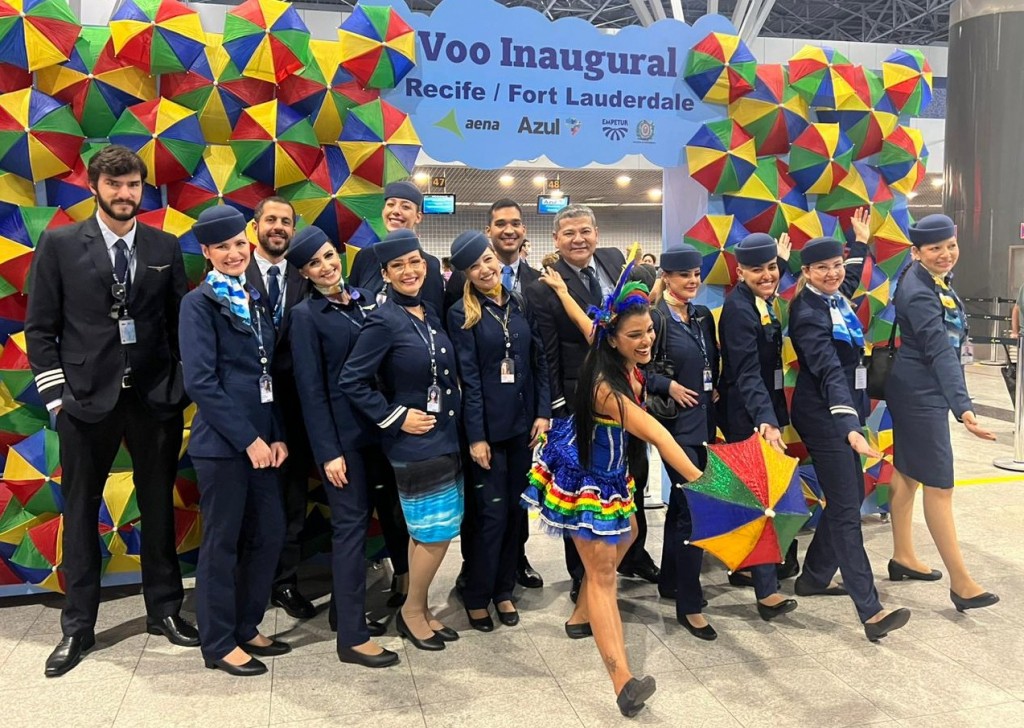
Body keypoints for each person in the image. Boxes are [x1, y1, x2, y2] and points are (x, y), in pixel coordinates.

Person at [25, 144, 197, 678]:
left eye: (134, 185)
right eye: (115, 184)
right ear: (94, 186)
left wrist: (180, 386)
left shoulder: (164, 245)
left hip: (153, 402)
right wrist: (57, 398)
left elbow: (179, 327)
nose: (126, 194)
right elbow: (40, 328)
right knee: (79, 514)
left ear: (144, 188)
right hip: (83, 402)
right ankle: (78, 626)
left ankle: (164, 609)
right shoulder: (57, 244)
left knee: (158, 508)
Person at [523, 274, 703, 718]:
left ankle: (581, 616)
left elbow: (586, 321)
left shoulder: (612, 347)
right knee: (603, 573)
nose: (646, 341)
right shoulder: (605, 386)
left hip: (613, 473)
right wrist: (705, 483)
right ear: (616, 338)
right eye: (636, 335)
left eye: (649, 330)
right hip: (586, 479)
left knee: (632, 530)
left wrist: (565, 292)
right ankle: (623, 681)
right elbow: (657, 434)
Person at [527, 204, 659, 602]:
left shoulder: (616, 262)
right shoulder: (544, 287)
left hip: (630, 395)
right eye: (568, 233)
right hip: (584, 403)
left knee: (632, 478)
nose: (578, 239)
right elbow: (548, 355)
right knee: (583, 494)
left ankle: (633, 555)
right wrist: (558, 408)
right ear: (556, 240)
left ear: (597, 233)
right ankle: (584, 576)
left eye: (585, 231)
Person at [340, 229, 464, 651]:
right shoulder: (383, 318)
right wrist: (395, 418)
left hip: (444, 437)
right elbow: (352, 381)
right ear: (386, 275)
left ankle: (422, 608)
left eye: (414, 262)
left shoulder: (427, 311)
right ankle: (412, 613)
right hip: (415, 444)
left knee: (426, 530)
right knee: (436, 532)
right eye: (398, 266)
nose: (409, 271)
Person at [179, 206, 290, 676]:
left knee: (269, 534)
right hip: (224, 447)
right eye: (221, 247)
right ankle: (219, 642)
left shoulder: (254, 296)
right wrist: (249, 440)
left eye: (238, 244)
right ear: (207, 253)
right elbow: (202, 383)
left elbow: (269, 373)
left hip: (265, 443)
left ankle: (247, 624)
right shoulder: (198, 305)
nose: (232, 253)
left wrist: (277, 435)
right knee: (222, 544)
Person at [787, 236, 913, 641]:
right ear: (805, 272)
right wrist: (849, 428)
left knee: (847, 496)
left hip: (843, 412)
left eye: (836, 265)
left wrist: (857, 246)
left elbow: (852, 276)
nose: (833, 273)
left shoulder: (834, 297)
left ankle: (815, 577)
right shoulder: (807, 312)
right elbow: (827, 373)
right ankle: (870, 610)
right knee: (845, 510)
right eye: (821, 267)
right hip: (825, 414)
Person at [285, 225, 399, 668]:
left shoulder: (369, 301)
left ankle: (343, 613)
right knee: (350, 532)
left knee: (373, 525)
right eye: (315, 264)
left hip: (380, 434)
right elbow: (310, 391)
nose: (327, 267)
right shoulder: (305, 316)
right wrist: (327, 452)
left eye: (330, 256)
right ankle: (352, 638)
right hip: (344, 443)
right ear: (305, 274)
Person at [885, 214, 999, 611]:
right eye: (935, 248)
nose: (946, 254)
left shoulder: (931, 279)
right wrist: (963, 408)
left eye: (950, 245)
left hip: (916, 386)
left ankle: (902, 556)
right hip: (921, 393)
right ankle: (962, 583)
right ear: (916, 252)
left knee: (909, 473)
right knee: (940, 485)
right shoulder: (918, 291)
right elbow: (938, 351)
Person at [446, 231, 551, 632]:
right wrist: (475, 437)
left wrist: (543, 413)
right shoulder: (462, 314)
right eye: (476, 266)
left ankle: (504, 590)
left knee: (514, 512)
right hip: (486, 433)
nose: (487, 269)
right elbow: (468, 380)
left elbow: (538, 361)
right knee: (488, 516)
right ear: (467, 274)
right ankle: (477, 594)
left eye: (488, 260)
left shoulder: (520, 303)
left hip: (523, 428)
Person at [717, 232, 799, 621]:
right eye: (757, 270)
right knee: (760, 502)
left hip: (765, 410)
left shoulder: (761, 298)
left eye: (771, 268)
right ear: (739, 271)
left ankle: (753, 568)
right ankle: (766, 593)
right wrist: (765, 422)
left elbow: (773, 275)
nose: (768, 276)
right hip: (748, 416)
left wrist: (781, 263)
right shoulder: (738, 311)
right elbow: (747, 373)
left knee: (764, 498)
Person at [243, 196, 315, 621]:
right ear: (256, 226)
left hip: (293, 410)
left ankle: (285, 583)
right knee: (248, 502)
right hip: (245, 410)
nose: (278, 227)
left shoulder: (304, 277)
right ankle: (249, 582)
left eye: (285, 221)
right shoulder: (230, 270)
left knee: (292, 503)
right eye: (270, 219)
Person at [645, 244, 720, 640]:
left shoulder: (702, 316)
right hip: (676, 430)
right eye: (683, 275)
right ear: (666, 277)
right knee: (695, 512)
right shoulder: (656, 318)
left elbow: (711, 360)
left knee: (680, 507)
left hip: (703, 423)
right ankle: (688, 605)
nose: (692, 281)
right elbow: (639, 368)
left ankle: (670, 581)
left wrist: (714, 388)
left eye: (696, 274)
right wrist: (667, 384)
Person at [348, 180, 445, 316]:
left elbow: (435, 316)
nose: (396, 211)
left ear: (418, 217)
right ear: (383, 211)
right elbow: (352, 303)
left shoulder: (430, 264)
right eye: (390, 204)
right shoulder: (365, 257)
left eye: (405, 207)